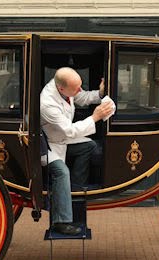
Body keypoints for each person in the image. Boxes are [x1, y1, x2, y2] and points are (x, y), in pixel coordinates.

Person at [40, 67, 114, 235]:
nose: (79, 90)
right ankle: (61, 221)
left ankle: (74, 189)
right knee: (61, 172)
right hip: (49, 145)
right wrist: (95, 117)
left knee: (90, 146)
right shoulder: (47, 103)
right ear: (61, 89)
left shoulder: (65, 88)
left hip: (62, 139)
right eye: (76, 88)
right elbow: (69, 131)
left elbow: (81, 96)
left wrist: (100, 94)